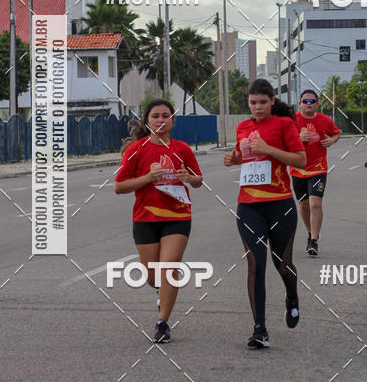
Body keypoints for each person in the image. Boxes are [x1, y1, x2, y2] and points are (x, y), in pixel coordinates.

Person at [224, 79, 306, 349]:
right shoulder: (243, 127)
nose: (257, 107)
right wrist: (234, 158)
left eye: (262, 102)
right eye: (252, 102)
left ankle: (292, 296)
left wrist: (268, 150)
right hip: (249, 205)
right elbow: (245, 156)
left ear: (272, 101)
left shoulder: (284, 125)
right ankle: (260, 329)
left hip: (280, 204)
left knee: (282, 264)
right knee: (256, 263)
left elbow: (300, 160)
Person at [114, 99, 203, 344]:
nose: (160, 120)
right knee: (153, 275)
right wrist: (147, 177)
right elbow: (119, 186)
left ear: (172, 121)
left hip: (178, 216)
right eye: (155, 116)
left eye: (166, 115)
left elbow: (198, 180)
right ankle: (159, 291)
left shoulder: (182, 149)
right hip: (145, 218)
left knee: (169, 267)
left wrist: (189, 177)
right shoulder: (137, 150)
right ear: (147, 120)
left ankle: (162, 323)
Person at [290, 89, 341, 255]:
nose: (309, 104)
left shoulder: (325, 120)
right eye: (305, 101)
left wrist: (331, 141)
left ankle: (314, 241)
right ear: (300, 104)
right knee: (304, 206)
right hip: (298, 169)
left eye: (312, 101)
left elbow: (336, 133)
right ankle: (310, 233)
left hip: (318, 168)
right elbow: (283, 141)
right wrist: (299, 138)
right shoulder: (292, 120)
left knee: (315, 203)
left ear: (317, 104)